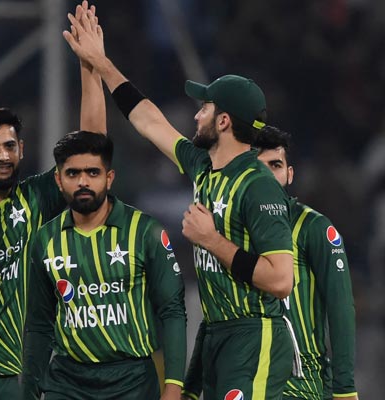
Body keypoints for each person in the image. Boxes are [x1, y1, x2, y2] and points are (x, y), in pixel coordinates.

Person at [64, 6, 296, 400]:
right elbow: (149, 120)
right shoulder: (202, 165)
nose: (196, 113)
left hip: (254, 335)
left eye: (204, 108)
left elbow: (281, 280)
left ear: (223, 121)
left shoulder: (259, 187)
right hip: (217, 331)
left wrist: (212, 241)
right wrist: (100, 63)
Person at [0, 3, 106, 398]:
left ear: (22, 148)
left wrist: (90, 67)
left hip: (17, 378)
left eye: (10, 146)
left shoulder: (36, 196)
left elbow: (92, 147)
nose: (2, 156)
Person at [22, 131, 187, 400]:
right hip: (67, 382)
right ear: (58, 180)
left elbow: (172, 310)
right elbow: (40, 325)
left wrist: (173, 386)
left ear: (109, 178)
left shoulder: (144, 231)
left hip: (132, 382)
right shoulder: (44, 240)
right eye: (73, 174)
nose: (83, 182)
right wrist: (28, 392)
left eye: (92, 173)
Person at [254, 126, 358, 400]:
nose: (266, 174)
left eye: (275, 165)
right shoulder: (230, 233)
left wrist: (345, 389)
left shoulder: (313, 228)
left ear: (290, 174)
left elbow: (341, 308)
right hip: (244, 384)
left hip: (301, 387)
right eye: (258, 166)